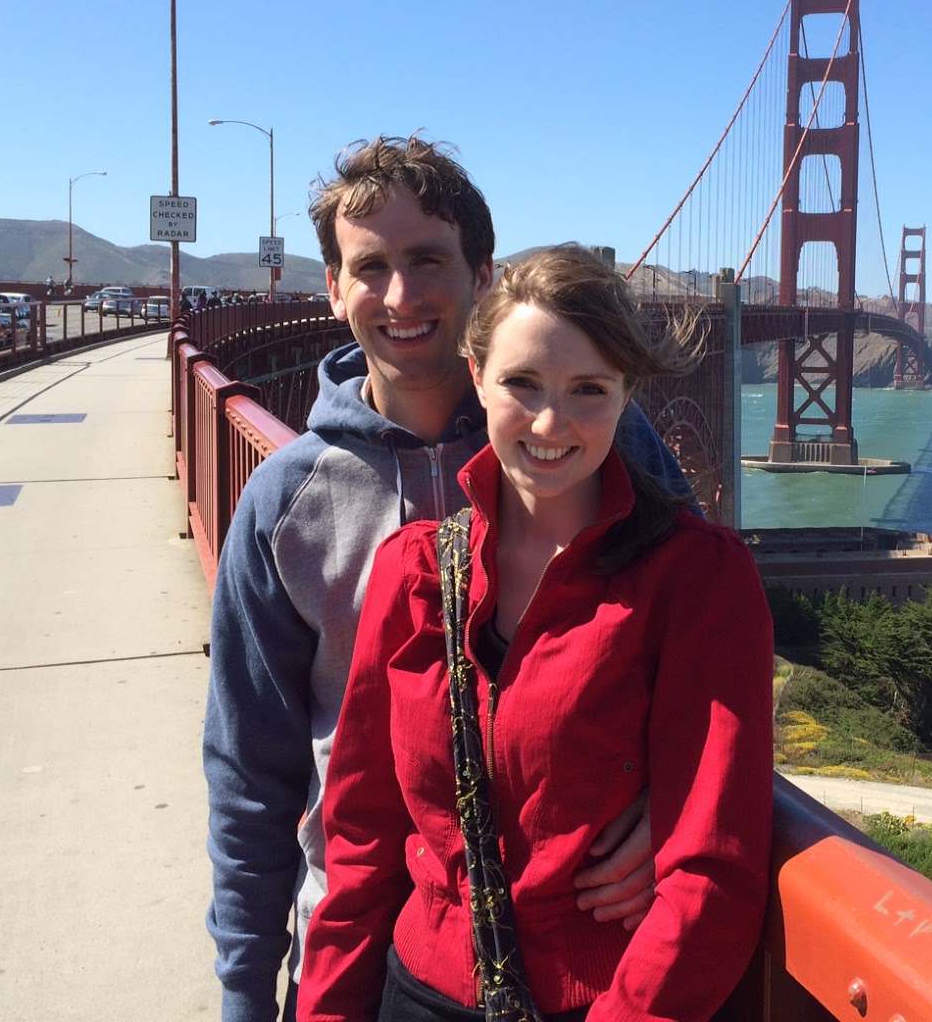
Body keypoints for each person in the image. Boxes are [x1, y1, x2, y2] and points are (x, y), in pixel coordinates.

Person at [203, 139, 689, 1022]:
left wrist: (676, 803)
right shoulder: (283, 503)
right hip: (353, 950)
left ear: (483, 275)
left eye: (428, 259)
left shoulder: (586, 439)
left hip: (578, 955)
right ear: (332, 289)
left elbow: (703, 629)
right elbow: (249, 771)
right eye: (370, 267)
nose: (400, 296)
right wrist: (244, 990)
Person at [298, 246, 774, 1022]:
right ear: (477, 375)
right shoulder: (413, 574)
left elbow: (711, 877)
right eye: (522, 383)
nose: (551, 422)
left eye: (589, 389)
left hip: (607, 1003)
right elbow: (361, 844)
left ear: (627, 395)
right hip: (413, 992)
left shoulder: (696, 581)